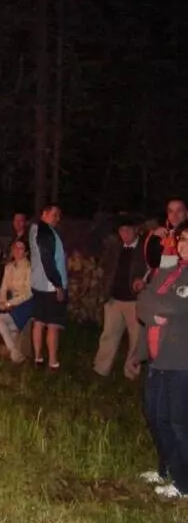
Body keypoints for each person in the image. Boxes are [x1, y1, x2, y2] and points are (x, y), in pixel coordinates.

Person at [128, 220, 188, 499]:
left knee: (177, 421)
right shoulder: (169, 272)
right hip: (157, 359)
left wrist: (154, 307)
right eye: (183, 239)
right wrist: (153, 314)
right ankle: (167, 469)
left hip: (180, 361)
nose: (185, 244)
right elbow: (143, 302)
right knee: (154, 416)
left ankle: (184, 482)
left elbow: (174, 305)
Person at [92, 216, 147, 377]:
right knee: (108, 335)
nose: (125, 234)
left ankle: (131, 372)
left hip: (135, 302)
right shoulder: (115, 248)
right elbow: (106, 269)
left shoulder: (144, 250)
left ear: (136, 230)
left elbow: (151, 272)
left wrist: (143, 283)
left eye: (128, 230)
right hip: (114, 300)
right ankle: (101, 369)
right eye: (122, 230)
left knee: (136, 339)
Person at [29, 203, 68, 371]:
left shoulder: (34, 230)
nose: (57, 218)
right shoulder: (45, 232)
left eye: (59, 215)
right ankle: (53, 362)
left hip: (37, 284)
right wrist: (58, 284)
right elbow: (48, 260)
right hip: (49, 286)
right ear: (44, 213)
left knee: (39, 321)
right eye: (54, 214)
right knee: (52, 324)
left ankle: (38, 358)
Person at [0, 238, 32, 363]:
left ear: (26, 252)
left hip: (24, 305)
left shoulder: (29, 268)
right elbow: (3, 287)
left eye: (20, 248)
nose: (16, 250)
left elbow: (27, 294)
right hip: (10, 303)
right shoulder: (9, 267)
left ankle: (13, 351)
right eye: (15, 247)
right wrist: (2, 302)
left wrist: (9, 303)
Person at [145, 199, 187, 271]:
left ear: (186, 213)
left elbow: (181, 264)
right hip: (160, 280)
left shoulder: (185, 235)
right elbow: (153, 264)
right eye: (170, 211)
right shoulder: (160, 233)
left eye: (179, 211)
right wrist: (154, 240)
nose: (174, 216)